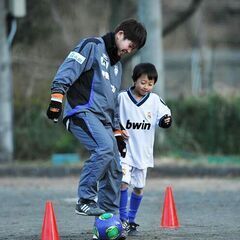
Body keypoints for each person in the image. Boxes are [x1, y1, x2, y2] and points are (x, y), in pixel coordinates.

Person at [46, 18, 147, 239]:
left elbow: (111, 106)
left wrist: (118, 133)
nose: (130, 50)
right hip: (81, 112)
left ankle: (107, 224)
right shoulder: (91, 46)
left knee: (114, 165)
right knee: (104, 148)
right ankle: (84, 199)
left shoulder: (117, 68)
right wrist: (56, 98)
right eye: (130, 44)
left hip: (102, 121)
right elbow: (69, 68)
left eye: (134, 49)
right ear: (119, 34)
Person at [117, 63, 172, 236]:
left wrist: (165, 121)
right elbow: (110, 115)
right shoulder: (122, 98)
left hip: (143, 153)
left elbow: (165, 115)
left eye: (150, 83)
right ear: (134, 80)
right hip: (124, 151)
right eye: (143, 82)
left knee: (139, 187)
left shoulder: (155, 100)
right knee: (123, 182)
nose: (146, 87)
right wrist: (117, 129)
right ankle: (123, 218)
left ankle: (131, 219)